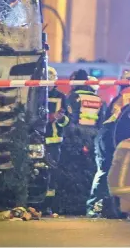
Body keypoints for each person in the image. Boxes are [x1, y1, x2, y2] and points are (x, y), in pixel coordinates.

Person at [55, 69, 105, 215]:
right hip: (94, 138)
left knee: (72, 172)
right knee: (90, 173)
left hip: (76, 138)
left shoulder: (73, 97)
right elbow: (101, 122)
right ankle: (89, 206)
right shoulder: (98, 99)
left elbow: (70, 119)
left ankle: (71, 206)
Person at [44, 66, 69, 211]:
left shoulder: (61, 96)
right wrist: (50, 117)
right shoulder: (33, 92)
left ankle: (48, 206)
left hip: (53, 142)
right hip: (36, 140)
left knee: (51, 175)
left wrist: (60, 118)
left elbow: (67, 121)